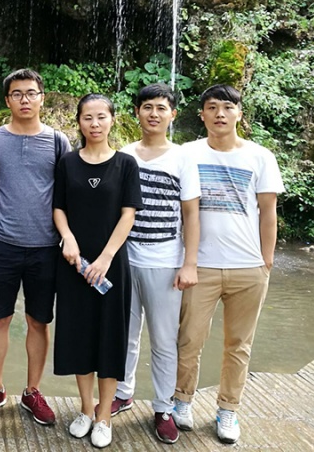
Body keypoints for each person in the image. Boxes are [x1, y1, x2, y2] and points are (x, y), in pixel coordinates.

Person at [173, 84, 284, 445]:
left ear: (239, 114)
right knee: (189, 339)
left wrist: (266, 261)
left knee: (239, 344)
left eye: (227, 107)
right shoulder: (187, 153)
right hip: (199, 266)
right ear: (202, 115)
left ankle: (228, 409)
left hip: (248, 267)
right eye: (212, 107)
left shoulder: (260, 157)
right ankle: (182, 400)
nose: (219, 113)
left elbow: (268, 212)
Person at [104, 84, 201, 445]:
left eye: (161, 108)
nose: (154, 114)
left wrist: (189, 263)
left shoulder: (182, 158)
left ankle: (163, 407)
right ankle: (123, 392)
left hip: (165, 260)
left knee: (163, 339)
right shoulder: (123, 155)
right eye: (147, 107)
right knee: (124, 334)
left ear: (172, 115)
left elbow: (191, 214)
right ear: (137, 112)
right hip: (125, 259)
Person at [0, 68, 70, 427]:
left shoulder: (58, 142)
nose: (25, 100)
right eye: (17, 94)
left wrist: (70, 239)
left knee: (38, 320)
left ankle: (32, 391)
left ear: (42, 98)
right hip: (2, 243)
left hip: (46, 246)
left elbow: (67, 194)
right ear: (7, 100)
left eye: (31, 93)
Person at [53, 93, 143, 449]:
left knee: (110, 336)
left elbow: (128, 214)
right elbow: (58, 207)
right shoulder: (67, 162)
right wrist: (68, 238)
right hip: (73, 263)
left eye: (101, 117)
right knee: (79, 335)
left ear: (112, 120)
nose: (95, 123)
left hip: (111, 265)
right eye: (88, 117)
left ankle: (105, 415)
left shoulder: (125, 164)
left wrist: (105, 257)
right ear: (79, 121)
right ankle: (86, 409)